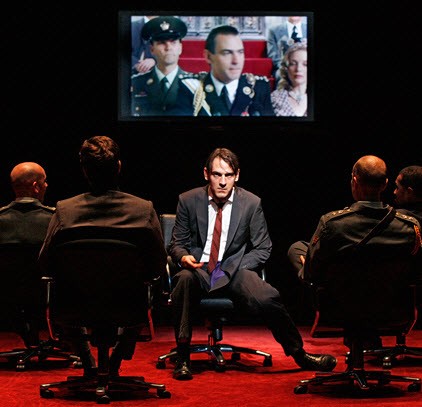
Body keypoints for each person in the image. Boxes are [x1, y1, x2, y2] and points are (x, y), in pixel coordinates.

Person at [168, 147, 337, 381]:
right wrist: (183, 257)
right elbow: (177, 244)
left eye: (228, 175)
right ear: (206, 174)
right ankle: (183, 356)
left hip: (235, 269)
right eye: (217, 174)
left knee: (267, 297)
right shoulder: (188, 200)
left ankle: (299, 354)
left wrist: (235, 266)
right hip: (199, 269)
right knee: (183, 281)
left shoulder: (251, 203)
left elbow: (263, 248)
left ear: (237, 175)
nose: (223, 182)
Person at [39, 136, 167, 377]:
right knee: (148, 290)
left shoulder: (65, 211)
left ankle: (88, 362)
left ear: (84, 169)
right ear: (119, 166)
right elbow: (159, 265)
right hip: (129, 306)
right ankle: (116, 359)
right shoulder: (143, 210)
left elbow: (45, 263)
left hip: (74, 305)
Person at [302, 155, 421, 347]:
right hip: (393, 308)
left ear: (354, 181)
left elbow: (311, 274)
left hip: (339, 308)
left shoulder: (332, 224)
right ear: (385, 184)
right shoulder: (410, 227)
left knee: (298, 250)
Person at [0, 162, 54, 347]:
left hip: (6, 296)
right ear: (36, 186)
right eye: (44, 181)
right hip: (48, 294)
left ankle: (28, 334)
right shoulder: (54, 219)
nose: (47, 185)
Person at [177, 25, 274, 116]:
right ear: (208, 56)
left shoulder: (259, 88)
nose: (236, 61)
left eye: (240, 52)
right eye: (227, 53)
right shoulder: (191, 88)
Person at [131, 16, 190, 116]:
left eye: (173, 42)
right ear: (152, 49)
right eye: (161, 43)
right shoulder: (135, 84)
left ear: (180, 48)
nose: (168, 47)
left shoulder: (194, 86)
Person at [267, 16, 307, 86]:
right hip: (283, 67)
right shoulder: (274, 30)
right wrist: (286, 67)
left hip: (305, 66)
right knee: (281, 74)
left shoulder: (309, 27)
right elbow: (273, 55)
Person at [271, 42, 307, 117]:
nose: (298, 69)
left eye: (305, 64)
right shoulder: (275, 98)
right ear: (286, 68)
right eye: (293, 63)